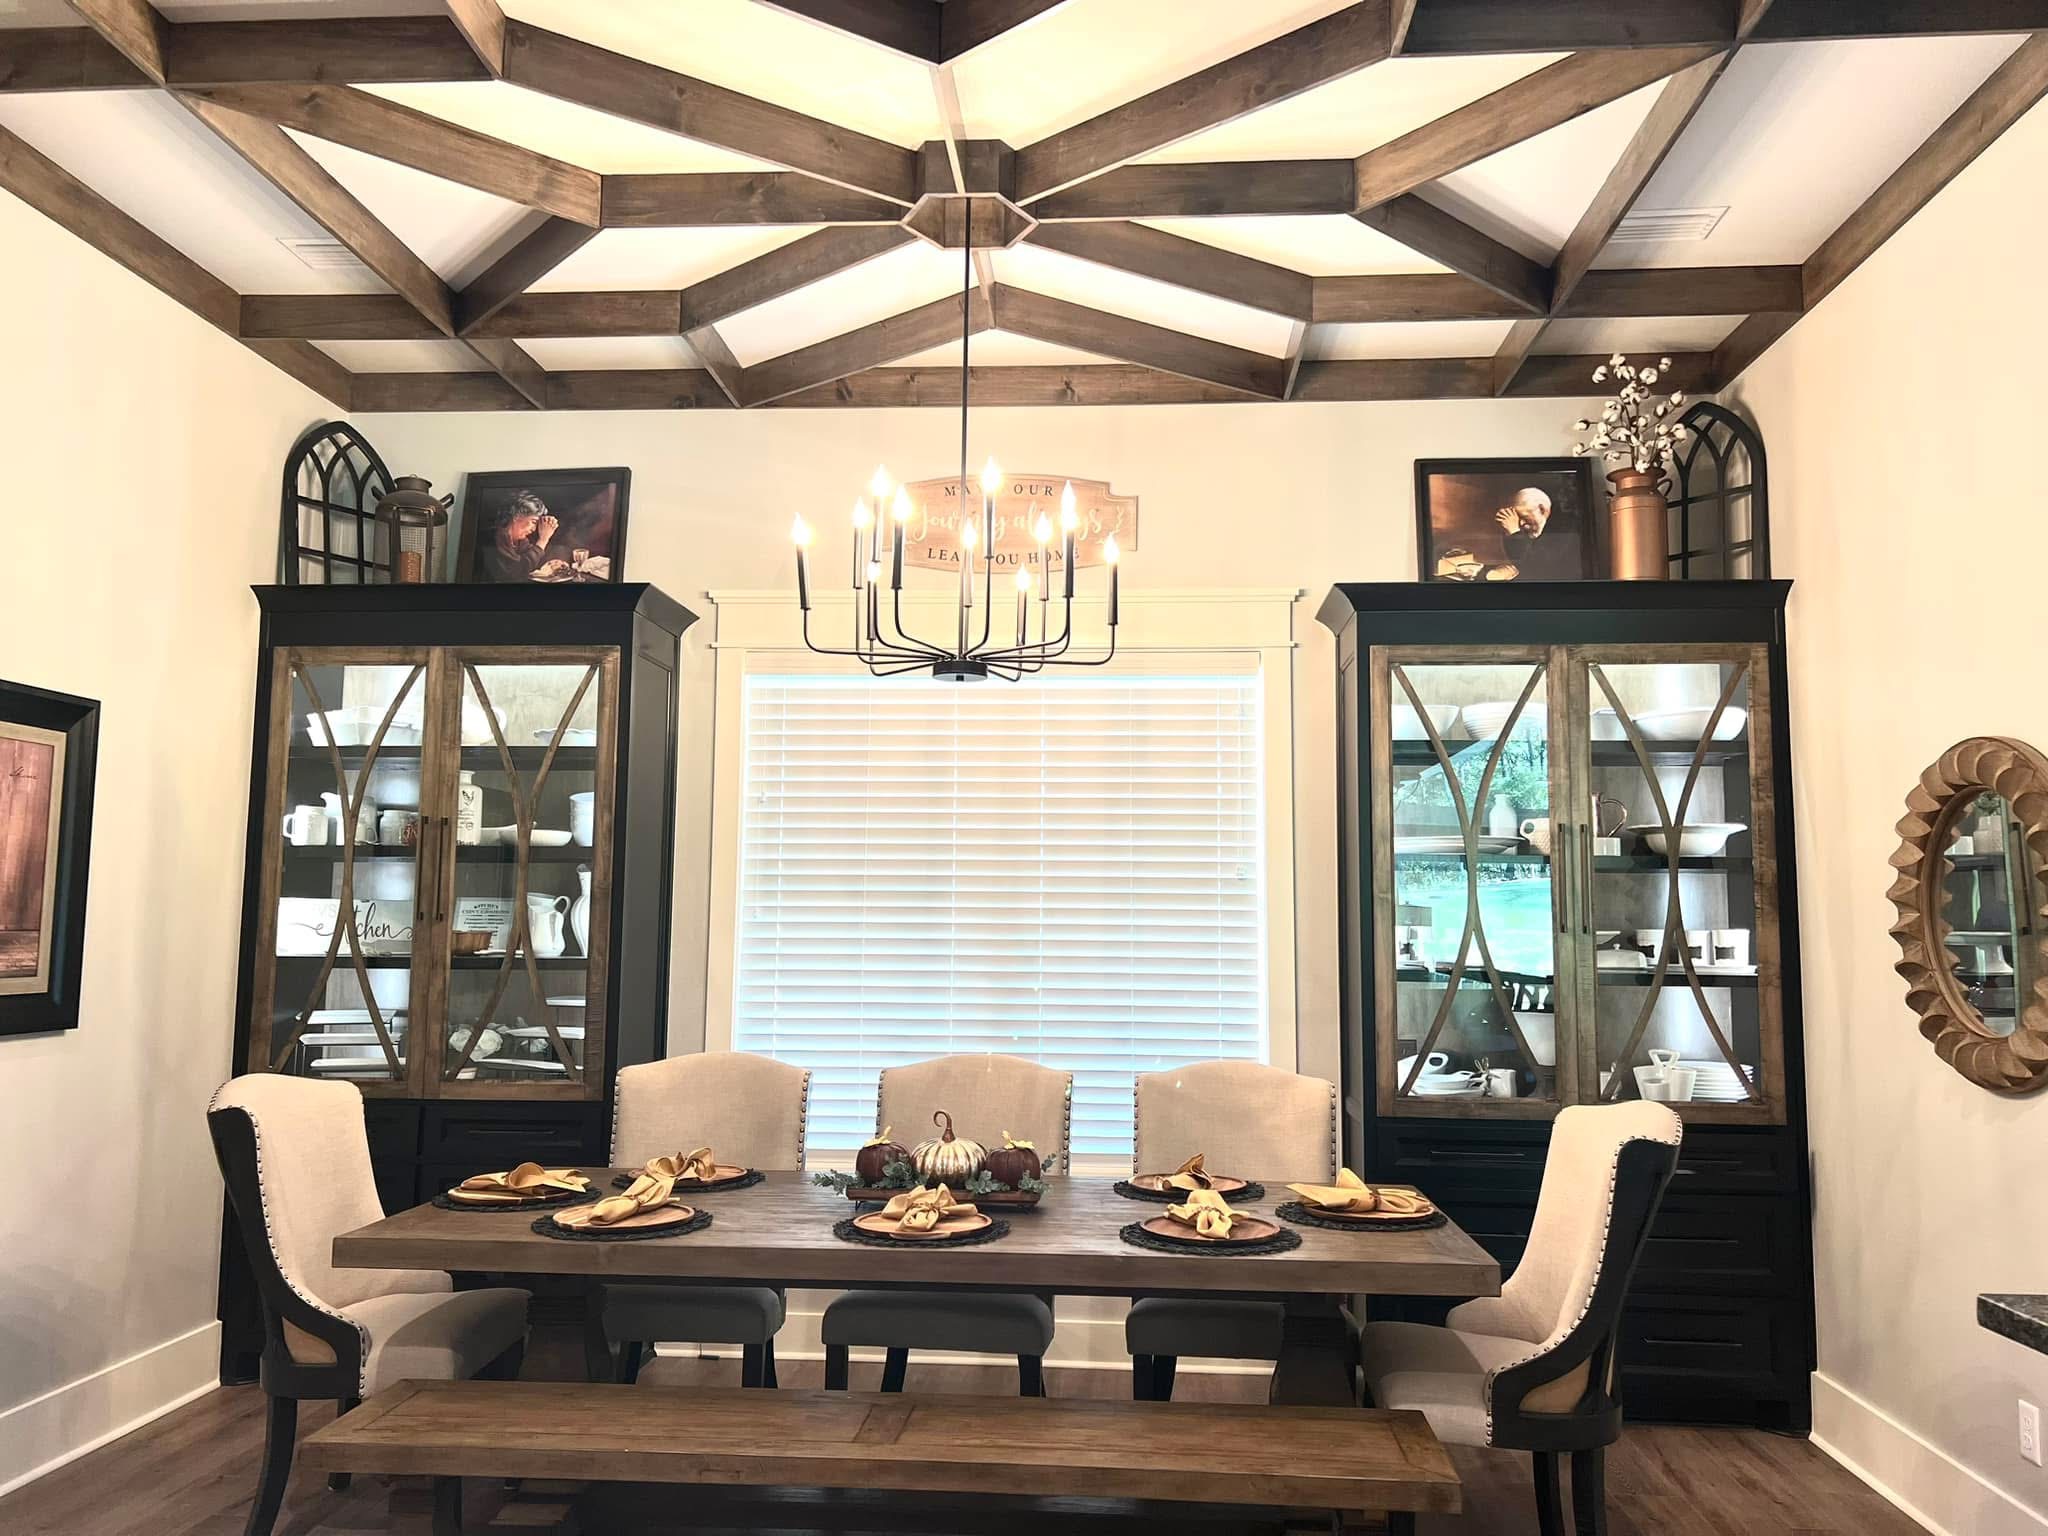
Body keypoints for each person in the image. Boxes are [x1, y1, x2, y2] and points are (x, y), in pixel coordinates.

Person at [1494, 486, 1583, 580]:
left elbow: (1536, 567)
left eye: (1524, 517)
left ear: (1542, 509)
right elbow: (1519, 562)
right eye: (1517, 518)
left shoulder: (1564, 528)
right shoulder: (1529, 528)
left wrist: (1514, 532)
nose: (1520, 523)